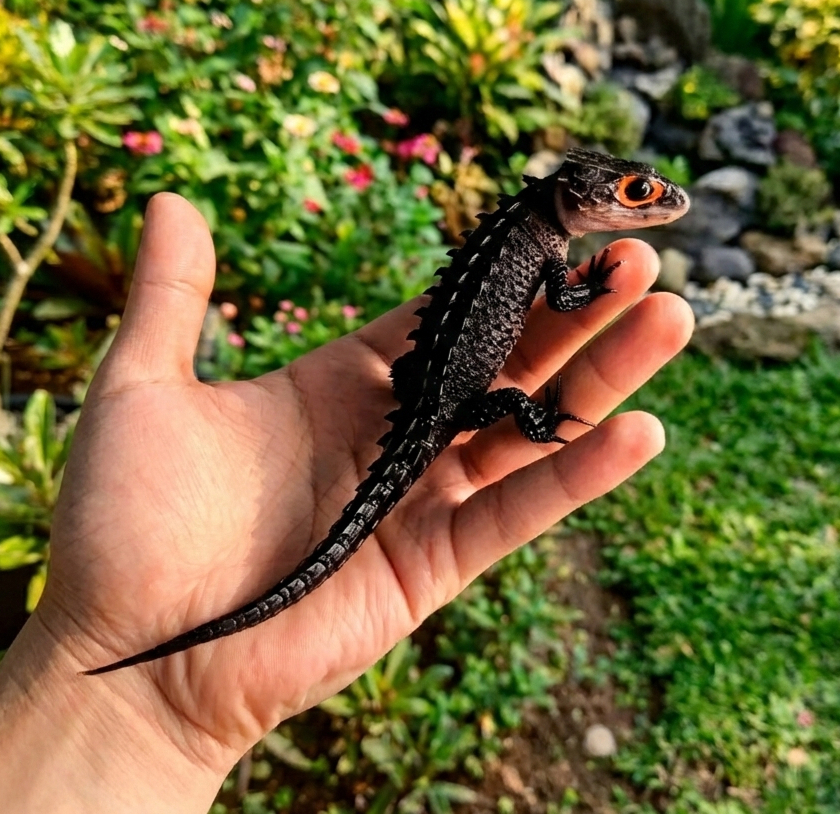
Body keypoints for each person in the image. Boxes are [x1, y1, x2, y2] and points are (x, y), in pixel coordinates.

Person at [0, 194, 692, 812]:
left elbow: (455, 346)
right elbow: (566, 304)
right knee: (511, 406)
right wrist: (585, 306)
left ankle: (530, 420)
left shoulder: (528, 232)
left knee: (428, 444)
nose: (654, 203)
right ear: (583, 197)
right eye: (637, 195)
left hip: (430, 390)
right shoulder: (544, 244)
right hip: (449, 400)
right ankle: (541, 425)